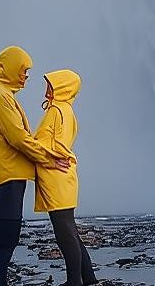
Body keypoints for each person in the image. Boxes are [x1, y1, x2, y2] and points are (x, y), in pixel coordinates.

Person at [0, 46, 69, 286]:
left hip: (2, 178)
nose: (26, 76)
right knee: (5, 239)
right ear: (10, 67)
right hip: (3, 179)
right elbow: (18, 138)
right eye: (23, 70)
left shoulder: (1, 94)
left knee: (5, 238)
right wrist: (49, 159)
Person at [34, 69, 98, 286]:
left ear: (61, 87)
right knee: (70, 231)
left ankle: (74, 282)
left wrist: (28, 144)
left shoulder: (57, 110)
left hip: (56, 176)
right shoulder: (67, 110)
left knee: (65, 233)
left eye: (51, 84)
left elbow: (51, 144)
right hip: (63, 177)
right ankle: (88, 278)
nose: (47, 89)